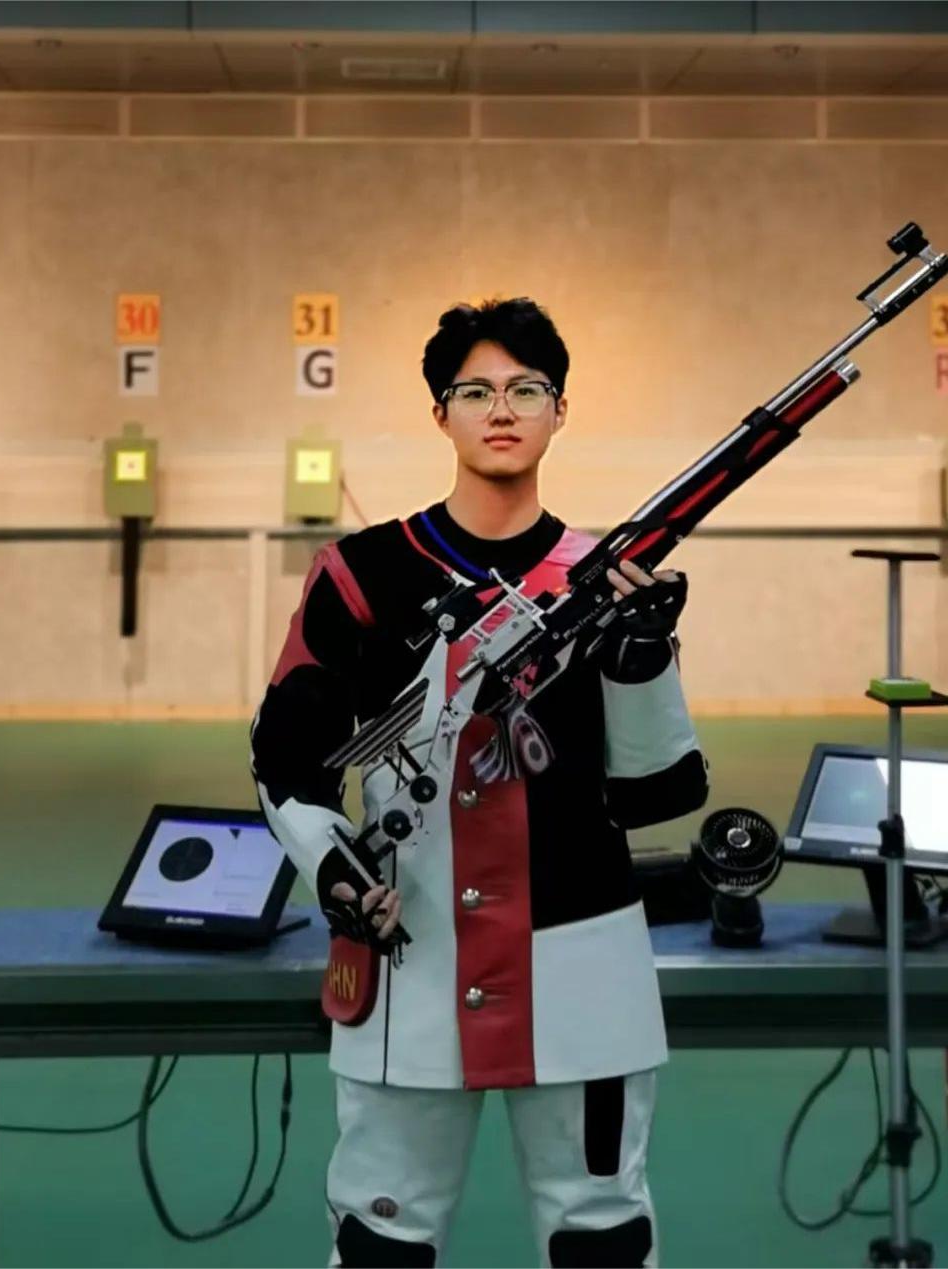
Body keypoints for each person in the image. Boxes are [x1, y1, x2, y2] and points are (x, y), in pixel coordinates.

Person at [251, 298, 709, 1268]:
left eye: (526, 389)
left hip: (581, 955)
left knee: (603, 1234)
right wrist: (335, 872)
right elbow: (286, 757)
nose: (502, 410)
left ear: (560, 410)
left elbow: (657, 795)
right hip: (408, 947)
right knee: (382, 1238)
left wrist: (640, 657)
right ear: (441, 414)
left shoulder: (608, 580)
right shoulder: (361, 573)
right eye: (476, 391)